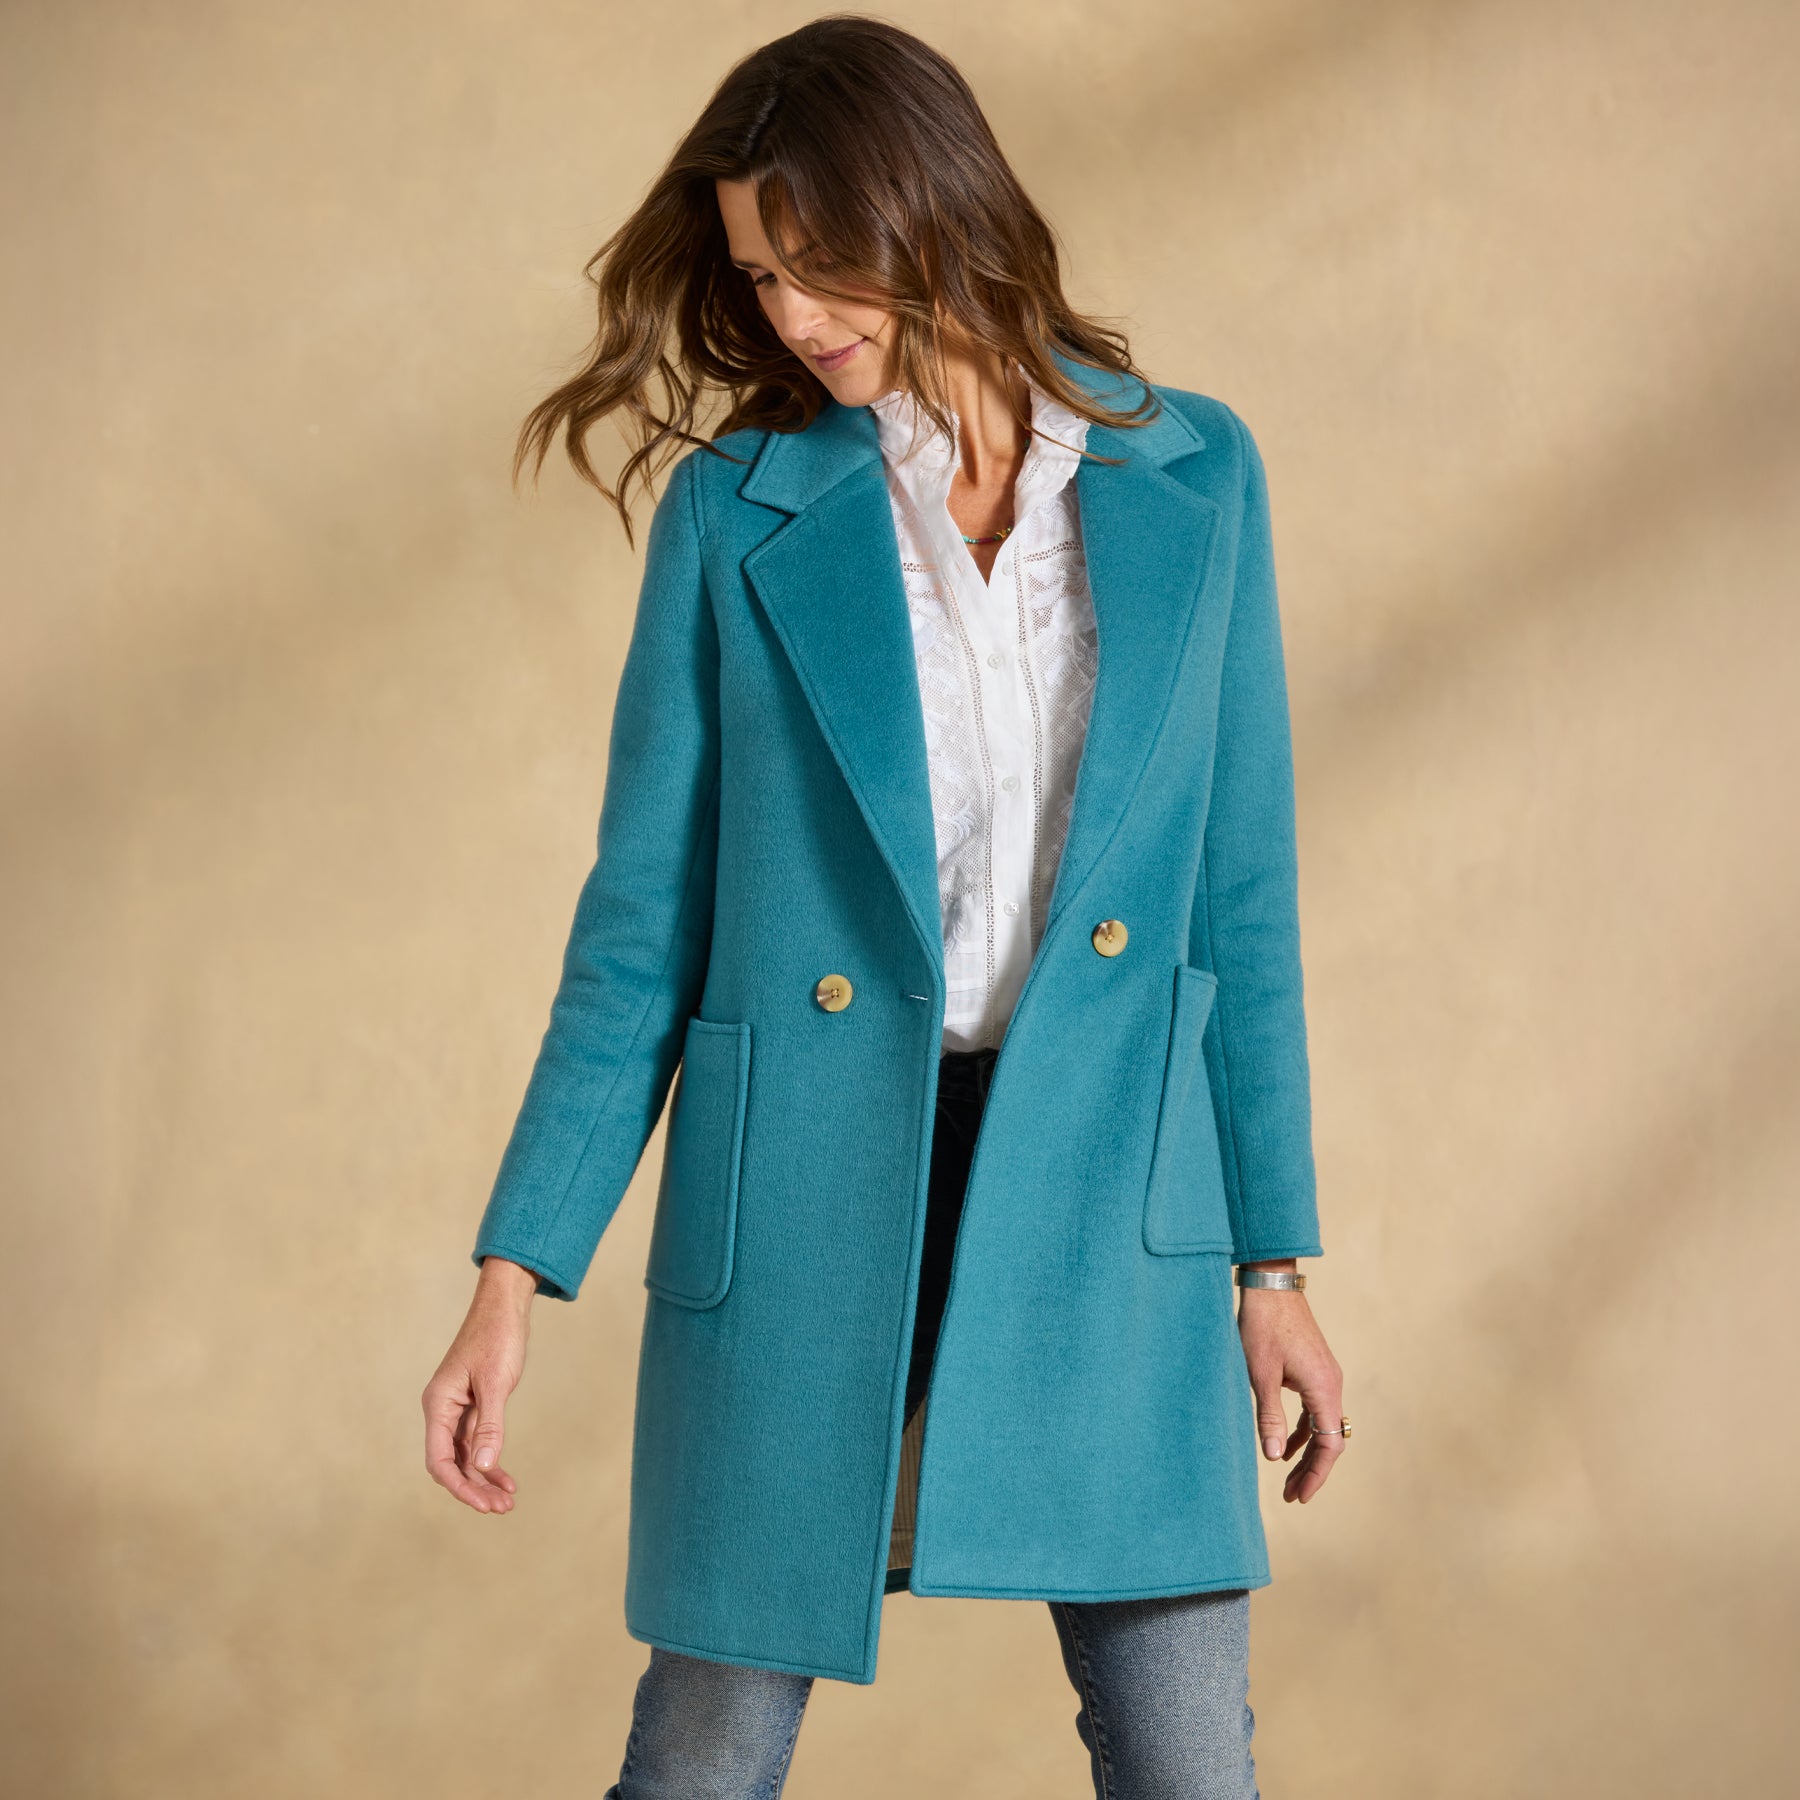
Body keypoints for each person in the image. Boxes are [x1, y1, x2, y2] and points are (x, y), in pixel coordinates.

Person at [422, 15, 1349, 1797]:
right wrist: (511, 1273)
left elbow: (1240, 907)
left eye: (816, 264)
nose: (788, 316)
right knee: (703, 1755)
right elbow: (643, 930)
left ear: (935, 210)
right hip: (810, 1186)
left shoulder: (1196, 476)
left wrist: (1275, 1265)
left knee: (1187, 1765)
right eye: (757, 275)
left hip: (1112, 1190)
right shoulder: (737, 514)